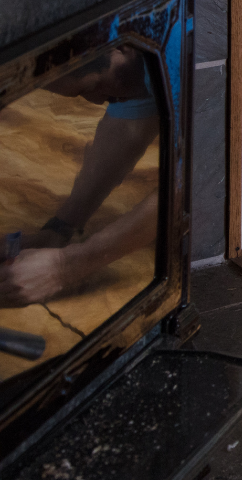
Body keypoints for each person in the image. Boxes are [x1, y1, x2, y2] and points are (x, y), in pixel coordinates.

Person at [0, 49, 160, 310]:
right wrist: (57, 230)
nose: (97, 102)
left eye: (93, 85)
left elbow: (188, 190)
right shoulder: (134, 65)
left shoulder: (187, 63)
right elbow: (128, 126)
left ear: (117, 47)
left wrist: (63, 268)